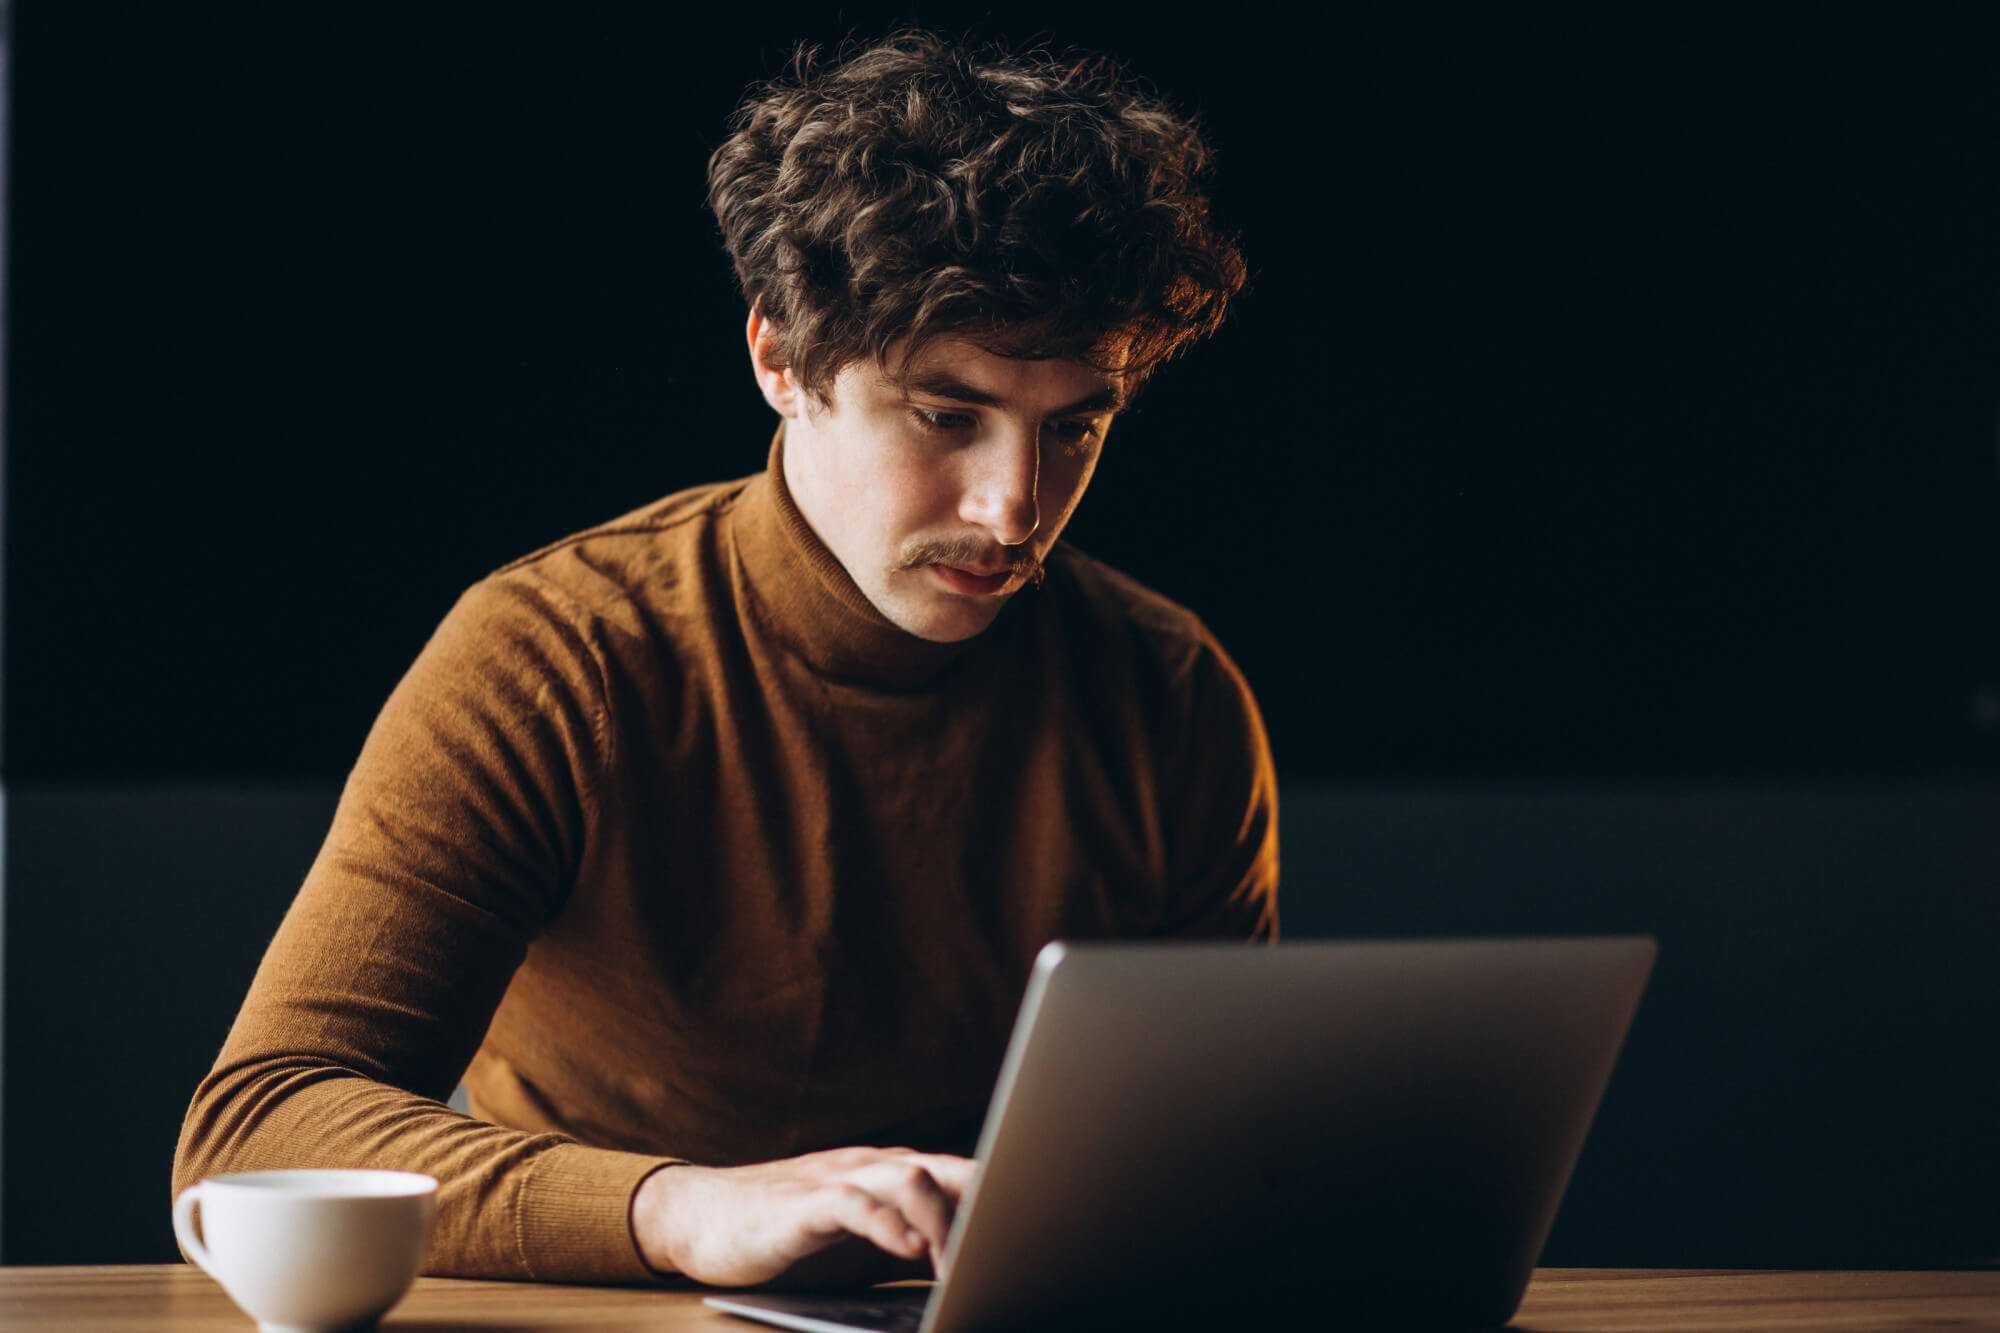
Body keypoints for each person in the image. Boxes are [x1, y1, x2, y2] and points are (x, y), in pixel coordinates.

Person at [173, 29, 1277, 1289]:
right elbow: (252, 1129)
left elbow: (1205, 1165)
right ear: (780, 360)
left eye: (1075, 426)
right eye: (944, 415)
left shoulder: (1169, 696)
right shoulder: (552, 655)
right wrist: (682, 1210)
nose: (1012, 509)